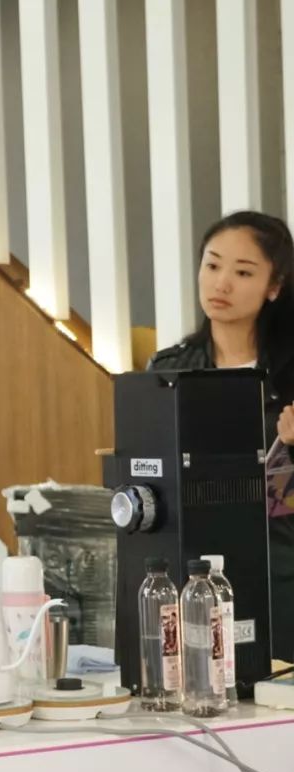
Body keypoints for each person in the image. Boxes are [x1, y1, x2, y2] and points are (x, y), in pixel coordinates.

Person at [148, 210, 294, 659]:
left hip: (280, 571)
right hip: (191, 570)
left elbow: (282, 499)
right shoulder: (168, 370)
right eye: (212, 265)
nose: (221, 283)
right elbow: (150, 476)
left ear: (274, 286)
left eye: (243, 272)